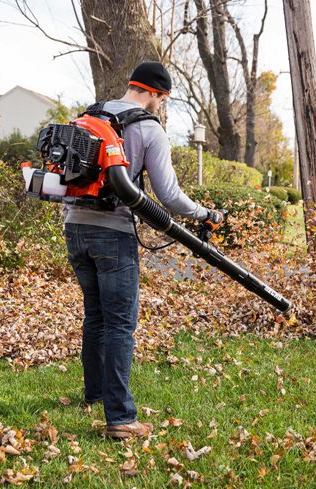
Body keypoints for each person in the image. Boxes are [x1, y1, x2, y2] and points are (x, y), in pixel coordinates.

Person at [64, 61, 221, 439]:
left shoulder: (90, 115)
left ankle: (94, 394)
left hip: (74, 228)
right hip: (113, 234)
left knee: (95, 316)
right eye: (162, 98)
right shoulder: (149, 128)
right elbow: (170, 196)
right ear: (154, 93)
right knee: (120, 324)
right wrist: (206, 213)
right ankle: (120, 419)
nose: (161, 105)